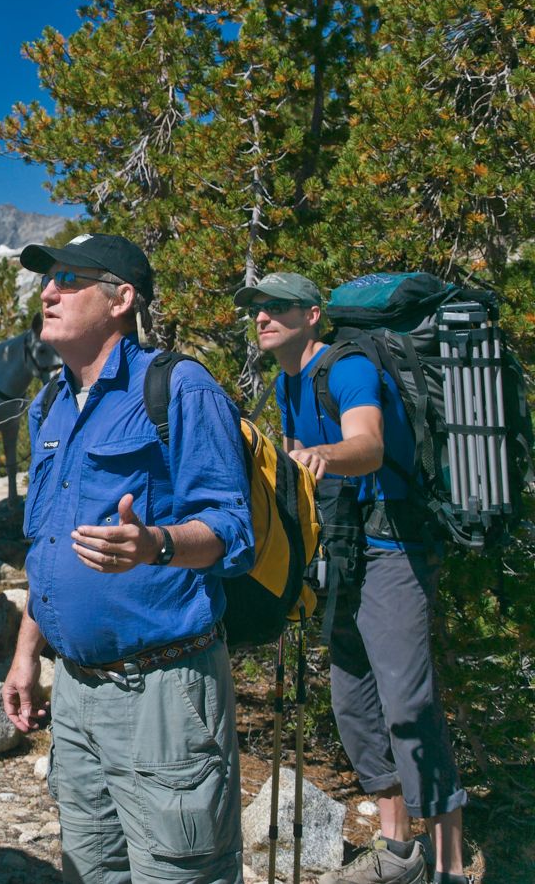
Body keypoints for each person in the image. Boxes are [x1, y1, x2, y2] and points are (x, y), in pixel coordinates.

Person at [2, 232, 253, 884]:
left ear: (121, 299)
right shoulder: (50, 405)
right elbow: (48, 544)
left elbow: (231, 528)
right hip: (76, 697)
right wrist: (27, 653)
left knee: (179, 872)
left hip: (163, 695)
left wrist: (157, 544)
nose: (47, 291)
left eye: (68, 278)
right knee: (89, 870)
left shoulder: (178, 387)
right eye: (46, 279)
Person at [238, 272, 470, 884]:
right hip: (339, 548)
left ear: (313, 315)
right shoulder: (288, 380)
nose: (263, 316)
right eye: (257, 308)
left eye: (278, 307)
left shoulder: (346, 369)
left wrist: (323, 456)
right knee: (354, 700)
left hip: (391, 543)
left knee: (409, 703)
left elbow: (365, 444)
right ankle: (399, 851)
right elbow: (292, 460)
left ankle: (447, 864)